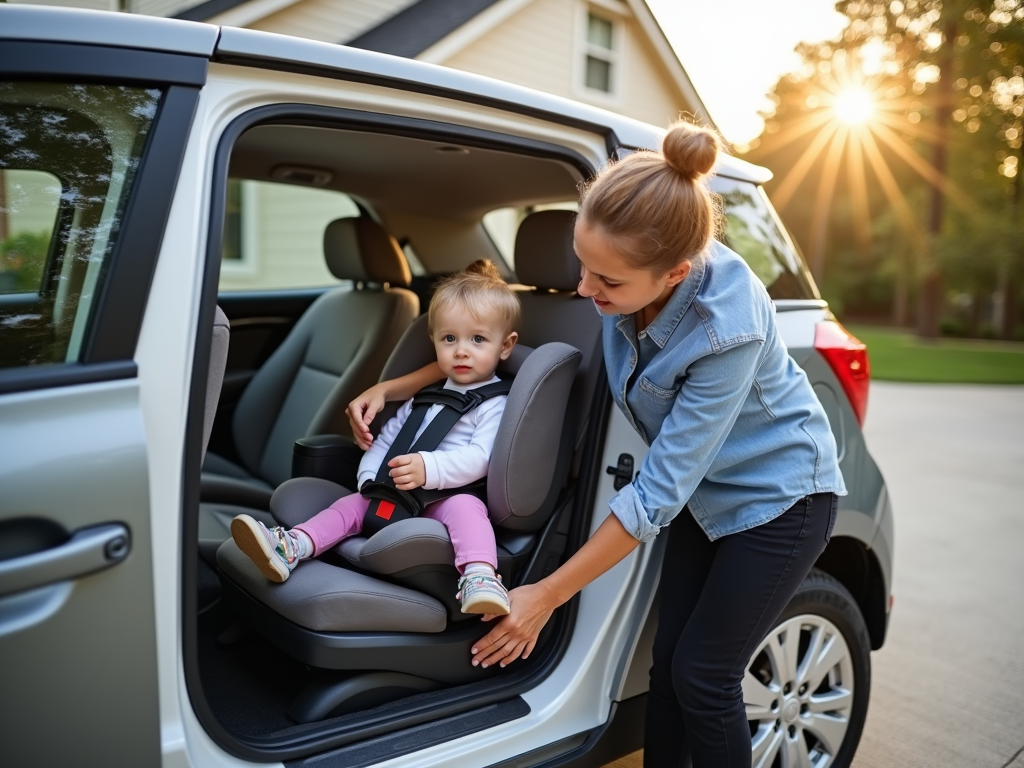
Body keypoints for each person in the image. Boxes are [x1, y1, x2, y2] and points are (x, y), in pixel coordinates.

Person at [346, 121, 846, 767]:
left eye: (606, 281)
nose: (585, 289)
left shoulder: (728, 330)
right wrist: (398, 385)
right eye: (583, 265)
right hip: (706, 495)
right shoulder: (616, 289)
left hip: (782, 499)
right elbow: (501, 359)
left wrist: (545, 595)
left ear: (674, 273)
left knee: (703, 675)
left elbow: (658, 493)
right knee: (667, 666)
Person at [231, 259, 520, 616]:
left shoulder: (495, 403)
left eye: (477, 339)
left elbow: (481, 457)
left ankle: (479, 576)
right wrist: (371, 476)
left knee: (468, 511)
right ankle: (292, 546)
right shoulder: (424, 395)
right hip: (396, 489)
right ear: (434, 341)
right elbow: (388, 440)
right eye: (449, 338)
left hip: (449, 493)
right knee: (347, 507)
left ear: (505, 346)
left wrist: (429, 468)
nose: (461, 350)